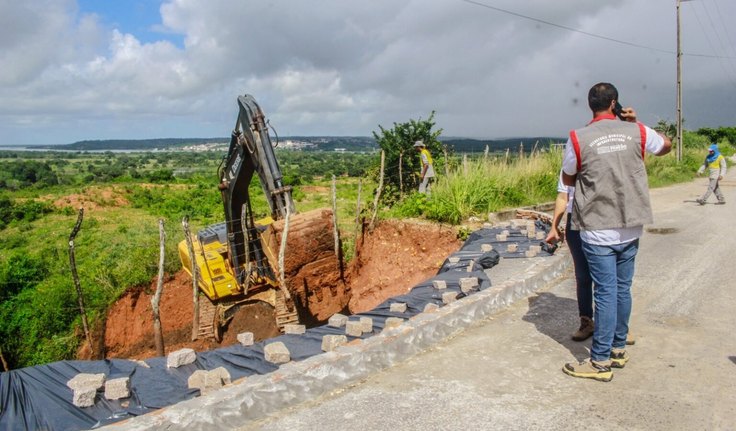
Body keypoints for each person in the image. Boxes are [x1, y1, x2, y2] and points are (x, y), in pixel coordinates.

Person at [560, 82, 671, 382]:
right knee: (622, 289)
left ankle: (599, 362)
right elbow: (666, 146)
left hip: (597, 228)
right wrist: (634, 123)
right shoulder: (637, 131)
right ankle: (618, 349)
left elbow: (568, 178)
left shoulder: (578, 137)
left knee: (605, 292)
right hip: (630, 225)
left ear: (591, 106)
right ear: (615, 105)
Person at [546, 169, 594, 342]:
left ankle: (618, 326)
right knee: (582, 276)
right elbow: (562, 196)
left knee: (610, 278)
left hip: (602, 218)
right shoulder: (572, 161)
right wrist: (554, 226)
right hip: (575, 221)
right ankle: (586, 321)